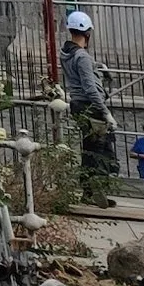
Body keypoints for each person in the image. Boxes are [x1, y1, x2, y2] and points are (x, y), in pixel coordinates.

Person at [61, 12, 117, 181]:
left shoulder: (66, 52)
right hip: (90, 106)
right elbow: (90, 88)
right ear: (87, 33)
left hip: (77, 104)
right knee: (100, 150)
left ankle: (89, 188)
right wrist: (106, 112)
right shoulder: (82, 56)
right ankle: (95, 187)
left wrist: (98, 66)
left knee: (90, 147)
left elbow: (79, 71)